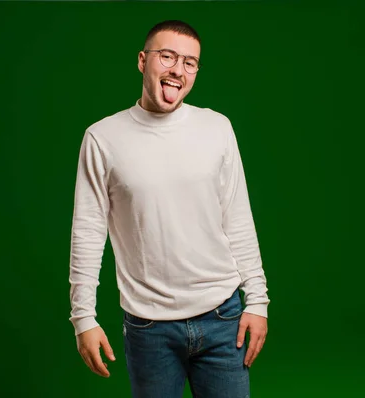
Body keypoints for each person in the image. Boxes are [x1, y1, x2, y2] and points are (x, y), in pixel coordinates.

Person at [68, 19, 270, 398]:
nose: (178, 69)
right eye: (168, 56)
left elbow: (238, 219)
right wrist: (83, 318)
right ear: (143, 61)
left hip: (223, 318)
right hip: (149, 328)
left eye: (190, 62)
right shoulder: (102, 138)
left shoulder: (217, 128)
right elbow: (88, 231)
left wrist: (258, 300)